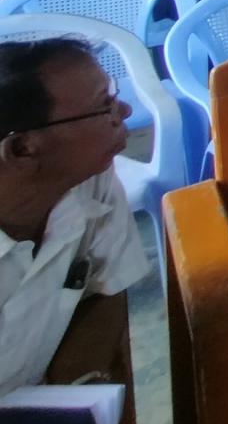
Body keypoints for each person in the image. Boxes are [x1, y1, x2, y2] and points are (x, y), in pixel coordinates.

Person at [0, 37, 147, 401]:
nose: (124, 110)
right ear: (22, 149)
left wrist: (77, 397)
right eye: (103, 106)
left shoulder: (92, 179)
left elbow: (106, 287)